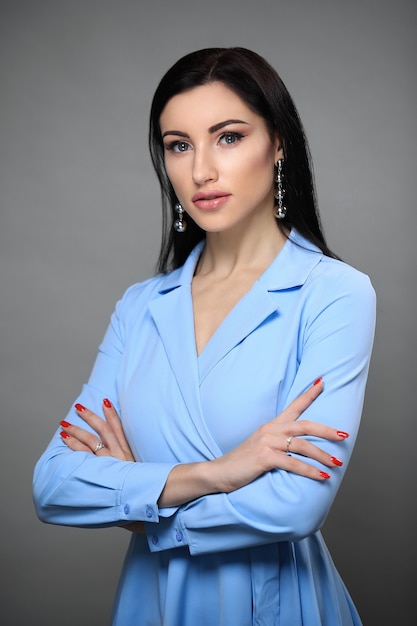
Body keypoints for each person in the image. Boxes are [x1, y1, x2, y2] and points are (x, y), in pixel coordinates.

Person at [33, 47, 376, 625]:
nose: (200, 172)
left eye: (229, 137)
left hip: (275, 601)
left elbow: (296, 506)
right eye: (179, 145)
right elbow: (54, 484)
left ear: (279, 143)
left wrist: (141, 504)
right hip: (153, 603)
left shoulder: (334, 293)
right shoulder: (141, 307)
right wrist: (219, 473)